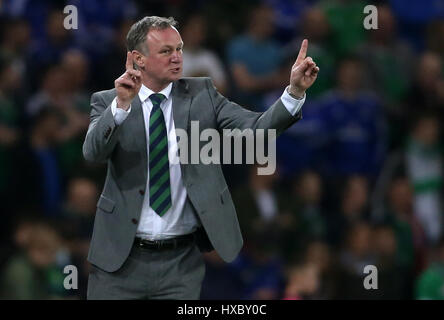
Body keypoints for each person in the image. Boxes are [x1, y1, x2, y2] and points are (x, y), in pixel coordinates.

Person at [83, 16, 319, 300]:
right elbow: (93, 153)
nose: (177, 58)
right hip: (119, 260)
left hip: (180, 265)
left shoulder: (202, 94)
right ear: (138, 59)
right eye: (166, 51)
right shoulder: (108, 100)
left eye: (179, 49)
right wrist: (120, 107)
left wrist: (294, 92)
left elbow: (255, 129)